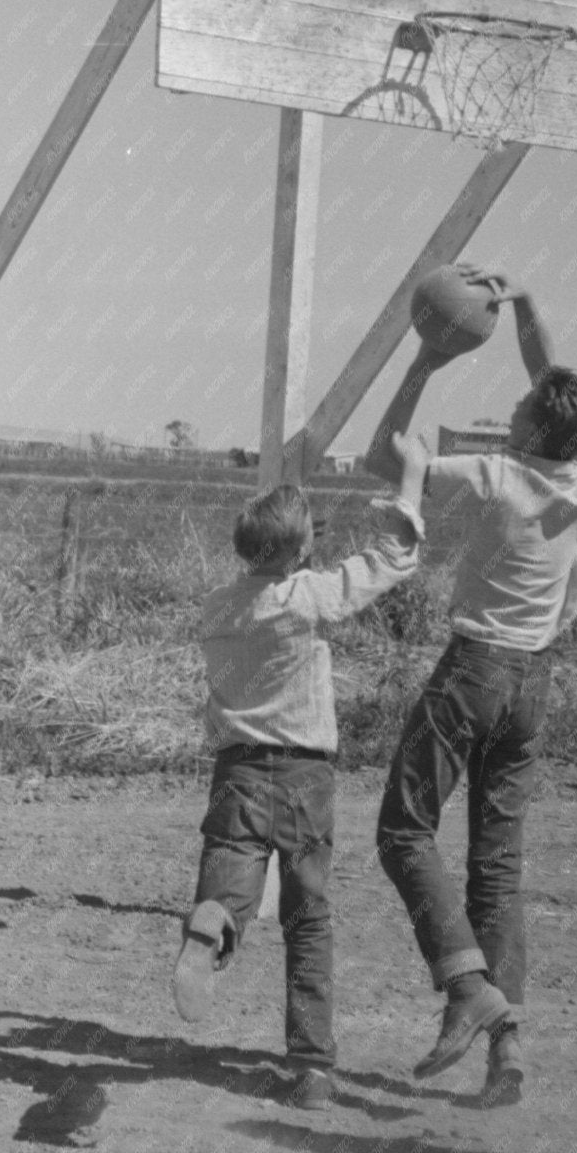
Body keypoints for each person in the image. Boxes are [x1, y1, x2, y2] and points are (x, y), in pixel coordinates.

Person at [364, 265, 577, 1102]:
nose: (510, 405)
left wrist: (423, 364)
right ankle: (509, 1047)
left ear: (532, 424)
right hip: (534, 683)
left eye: (519, 406)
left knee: (403, 831)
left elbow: (377, 458)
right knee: (495, 869)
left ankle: (466, 987)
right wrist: (529, 301)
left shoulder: (492, 475)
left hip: (474, 671)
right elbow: (553, 380)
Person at [171, 438, 427, 1109]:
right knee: (308, 916)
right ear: (296, 553)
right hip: (304, 772)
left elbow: (273, 572)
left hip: (236, 768)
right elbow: (385, 564)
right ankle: (312, 1066)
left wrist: (294, 546)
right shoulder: (307, 597)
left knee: (231, 868)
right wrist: (407, 498)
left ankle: (214, 918)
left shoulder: (217, 610)